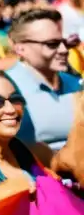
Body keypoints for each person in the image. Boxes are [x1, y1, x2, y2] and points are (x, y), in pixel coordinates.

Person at [5, 8, 82, 152]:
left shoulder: (76, 83)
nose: (64, 50)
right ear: (21, 49)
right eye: (52, 44)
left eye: (64, 42)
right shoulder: (5, 89)